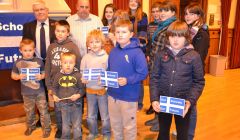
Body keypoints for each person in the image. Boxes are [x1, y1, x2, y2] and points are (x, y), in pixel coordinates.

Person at [150, 21, 205, 140]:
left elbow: (199, 82)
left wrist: (190, 101)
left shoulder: (194, 56)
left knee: (182, 134)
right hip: (163, 101)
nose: (175, 40)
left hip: (183, 102)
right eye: (172, 36)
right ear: (168, 37)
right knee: (163, 132)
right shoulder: (161, 54)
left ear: (186, 38)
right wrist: (154, 99)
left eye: (180, 36)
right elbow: (154, 78)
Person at [107, 19, 148, 140]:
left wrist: (128, 80)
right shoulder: (113, 51)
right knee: (115, 125)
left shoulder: (137, 52)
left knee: (129, 127)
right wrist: (104, 79)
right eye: (117, 32)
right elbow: (110, 69)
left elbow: (143, 73)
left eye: (123, 32)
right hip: (112, 95)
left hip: (129, 97)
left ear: (131, 34)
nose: (120, 34)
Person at [22, 0, 56, 129]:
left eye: (42, 9)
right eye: (37, 10)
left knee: (55, 89)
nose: (40, 12)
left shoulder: (56, 25)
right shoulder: (28, 26)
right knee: (39, 92)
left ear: (47, 10)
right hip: (36, 64)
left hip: (53, 63)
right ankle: (42, 119)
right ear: (34, 12)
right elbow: (25, 45)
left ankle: (59, 117)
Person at [45, 20, 81, 138]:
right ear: (54, 32)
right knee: (58, 109)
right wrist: (49, 86)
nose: (60, 33)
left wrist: (78, 84)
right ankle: (61, 129)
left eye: (63, 31)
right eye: (58, 31)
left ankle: (76, 126)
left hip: (71, 85)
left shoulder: (72, 46)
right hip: (57, 86)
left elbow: (78, 65)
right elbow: (47, 67)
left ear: (68, 33)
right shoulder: (51, 47)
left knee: (74, 106)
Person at [145, 0, 177, 132]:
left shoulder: (173, 26)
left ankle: (161, 122)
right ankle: (157, 117)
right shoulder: (162, 24)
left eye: (166, 10)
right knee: (156, 92)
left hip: (165, 66)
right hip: (156, 63)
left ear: (173, 13)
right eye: (161, 10)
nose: (162, 13)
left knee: (163, 93)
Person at [11, 39, 51, 138]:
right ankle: (31, 127)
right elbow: (13, 75)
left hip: (39, 92)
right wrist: (19, 76)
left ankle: (46, 129)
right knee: (29, 111)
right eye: (25, 50)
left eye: (30, 50)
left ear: (34, 50)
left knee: (43, 111)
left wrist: (41, 76)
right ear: (20, 50)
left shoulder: (39, 61)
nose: (28, 53)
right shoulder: (18, 62)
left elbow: (44, 73)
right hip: (26, 93)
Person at [184, 3, 209, 140]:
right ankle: (183, 128)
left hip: (193, 74)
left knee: (191, 105)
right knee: (184, 104)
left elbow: (198, 56)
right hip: (184, 72)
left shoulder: (201, 34)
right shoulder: (188, 30)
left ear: (199, 15)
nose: (188, 16)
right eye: (186, 13)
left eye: (192, 13)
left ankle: (189, 135)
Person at [80, 29, 111, 140]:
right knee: (90, 115)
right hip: (90, 91)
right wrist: (83, 79)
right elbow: (82, 72)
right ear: (88, 44)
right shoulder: (85, 57)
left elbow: (109, 73)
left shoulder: (106, 57)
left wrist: (104, 80)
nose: (94, 44)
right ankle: (93, 132)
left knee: (105, 116)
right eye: (91, 42)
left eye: (97, 41)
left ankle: (106, 133)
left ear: (102, 43)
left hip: (102, 91)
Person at [52, 52, 85, 140]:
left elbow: (82, 89)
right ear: (61, 63)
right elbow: (54, 88)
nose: (68, 65)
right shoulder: (58, 75)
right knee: (65, 126)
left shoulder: (78, 75)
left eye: (70, 63)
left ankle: (78, 138)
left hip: (76, 104)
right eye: (65, 63)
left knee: (77, 125)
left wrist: (78, 95)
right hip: (63, 104)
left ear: (74, 63)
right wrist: (54, 95)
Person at [128, 0, 148, 111]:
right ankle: (131, 100)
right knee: (130, 76)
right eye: (131, 1)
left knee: (138, 78)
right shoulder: (126, 15)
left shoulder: (143, 15)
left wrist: (133, 46)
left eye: (135, 1)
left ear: (139, 3)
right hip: (128, 50)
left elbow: (143, 35)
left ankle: (139, 103)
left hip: (139, 49)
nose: (133, 3)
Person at [145, 1, 162, 116]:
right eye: (153, 11)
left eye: (158, 11)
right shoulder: (150, 25)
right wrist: (147, 54)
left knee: (161, 84)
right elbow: (149, 42)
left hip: (162, 59)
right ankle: (153, 103)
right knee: (153, 83)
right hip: (151, 58)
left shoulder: (165, 25)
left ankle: (159, 108)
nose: (155, 14)